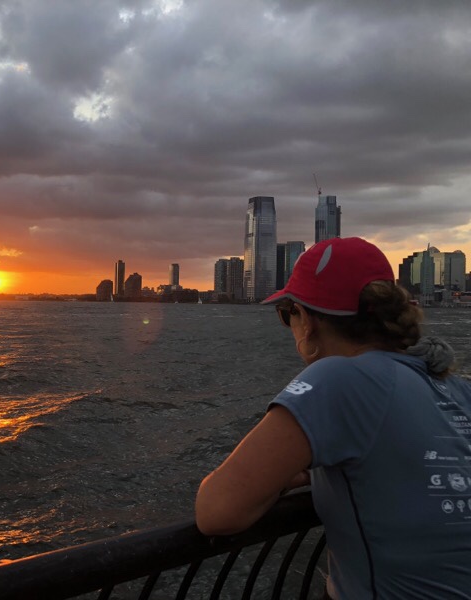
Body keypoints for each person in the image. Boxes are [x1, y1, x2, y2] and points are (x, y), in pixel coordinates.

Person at [194, 237, 471, 599]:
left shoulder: (338, 378)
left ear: (306, 319)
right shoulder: (456, 387)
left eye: (286, 314)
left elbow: (216, 511)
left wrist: (277, 481)